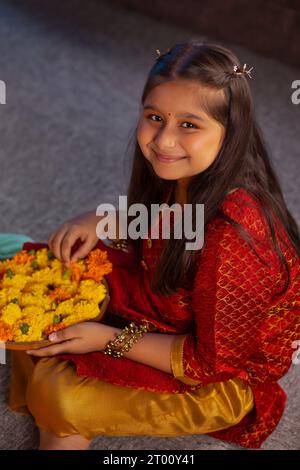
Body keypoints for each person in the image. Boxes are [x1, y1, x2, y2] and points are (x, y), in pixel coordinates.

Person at [8, 41, 300, 450]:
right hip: (169, 306)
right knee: (48, 267)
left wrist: (108, 340)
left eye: (189, 125)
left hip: (218, 376)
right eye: (155, 117)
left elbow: (210, 363)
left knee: (61, 394)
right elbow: (166, 228)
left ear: (231, 133)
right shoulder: (185, 175)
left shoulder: (239, 240)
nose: (163, 140)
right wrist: (104, 219)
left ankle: (62, 408)